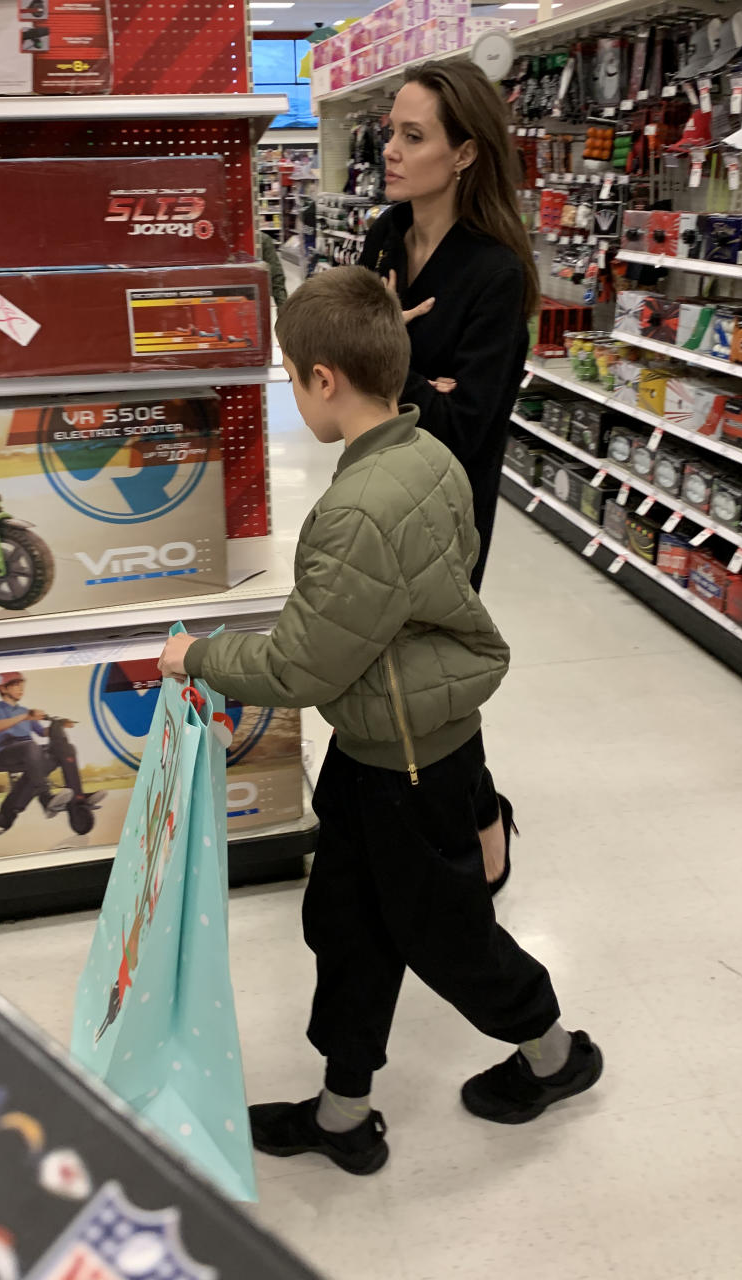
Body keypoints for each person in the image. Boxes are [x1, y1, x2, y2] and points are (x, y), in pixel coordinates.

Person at [158, 267, 601, 1176]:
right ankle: (342, 1111)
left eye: (290, 373)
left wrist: (197, 655)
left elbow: (302, 664)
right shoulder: (425, 452)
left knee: (450, 939)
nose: (290, 388)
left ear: (327, 379)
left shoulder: (358, 507)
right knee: (346, 927)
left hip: (412, 763)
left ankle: (557, 1057)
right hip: (379, 745)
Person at [359, 60, 540, 894]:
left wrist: (388, 365)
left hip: (449, 507)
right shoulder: (383, 240)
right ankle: (423, 807)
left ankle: (480, 813)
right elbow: (337, 359)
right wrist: (410, 381)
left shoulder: (494, 274)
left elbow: (468, 425)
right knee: (390, 661)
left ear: (466, 152)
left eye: (413, 135)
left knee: (435, 669)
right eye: (390, 131)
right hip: (372, 489)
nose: (390, 149)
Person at [0, 673, 104, 831]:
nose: (21, 688)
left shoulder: (24, 711)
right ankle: (45, 799)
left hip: (30, 752)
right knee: (31, 746)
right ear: (2, 688)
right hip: (6, 752)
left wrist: (58, 725)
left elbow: (42, 732)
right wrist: (25, 717)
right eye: (15, 684)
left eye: (22, 684)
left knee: (66, 749)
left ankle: (78, 798)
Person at [258, 229, 288, 307]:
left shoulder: (261, 239)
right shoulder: (262, 239)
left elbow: (276, 276)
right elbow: (276, 277)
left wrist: (283, 308)